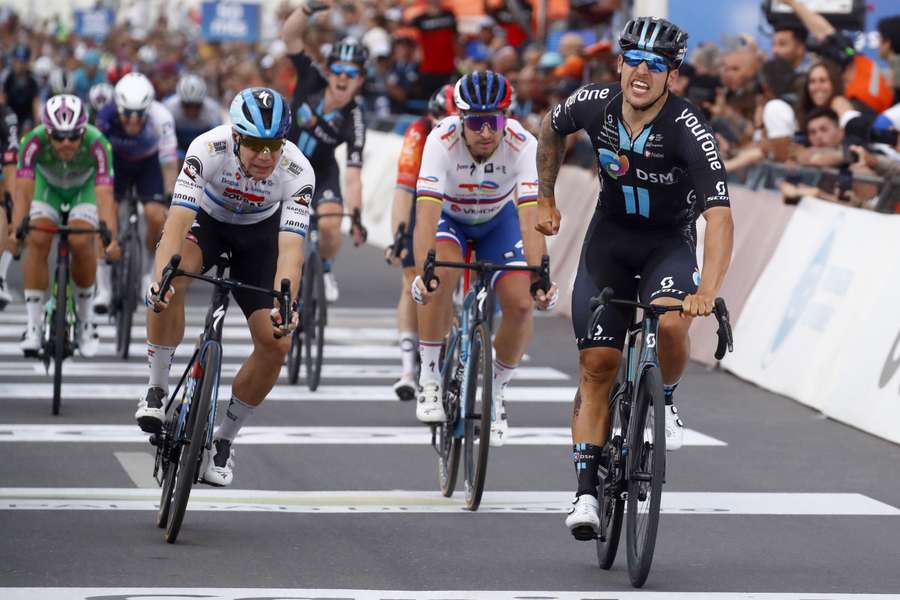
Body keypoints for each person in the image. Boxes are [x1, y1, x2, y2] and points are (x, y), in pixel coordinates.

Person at [534, 17, 734, 539]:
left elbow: (720, 217)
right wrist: (546, 196)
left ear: (673, 75)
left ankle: (664, 399)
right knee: (597, 364)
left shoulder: (690, 129)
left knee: (670, 326)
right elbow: (550, 129)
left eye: (657, 65)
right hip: (611, 242)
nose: (643, 73)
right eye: (635, 61)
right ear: (620, 64)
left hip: (667, 244)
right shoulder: (593, 101)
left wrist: (707, 289)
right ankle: (584, 494)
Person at [138, 87, 312, 487]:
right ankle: (156, 390)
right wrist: (159, 277)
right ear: (236, 137)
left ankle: (224, 440)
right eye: (254, 144)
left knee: (277, 342)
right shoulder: (207, 148)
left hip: (260, 237)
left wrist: (286, 304)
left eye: (273, 145)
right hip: (208, 223)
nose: (265, 156)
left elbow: (291, 248)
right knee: (173, 279)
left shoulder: (298, 170)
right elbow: (178, 220)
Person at [411, 70, 559, 447]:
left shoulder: (525, 144)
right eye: (476, 122)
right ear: (460, 119)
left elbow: (530, 216)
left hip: (498, 222)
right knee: (440, 277)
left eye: (493, 121)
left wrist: (540, 275)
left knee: (522, 305)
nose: (485, 132)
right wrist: (424, 267)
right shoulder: (439, 141)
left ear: (506, 118)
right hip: (450, 219)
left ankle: (495, 392)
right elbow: (426, 212)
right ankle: (428, 376)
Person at [8, 95, 119, 357]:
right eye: (58, 137)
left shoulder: (99, 144)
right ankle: (33, 326)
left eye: (73, 136)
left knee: (82, 241)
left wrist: (110, 238)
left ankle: (86, 320)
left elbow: (105, 194)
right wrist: (16, 230)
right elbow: (22, 192)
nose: (66, 143)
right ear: (48, 132)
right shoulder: (32, 141)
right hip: (48, 190)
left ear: (84, 130)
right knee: (36, 239)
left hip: (84, 190)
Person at [281, 3, 367, 304]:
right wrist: (306, 10)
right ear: (329, 71)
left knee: (331, 223)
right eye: (338, 71)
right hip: (282, 162)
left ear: (360, 80)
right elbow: (289, 37)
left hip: (321, 171)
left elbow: (355, 175)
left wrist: (355, 216)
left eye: (351, 73)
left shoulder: (355, 117)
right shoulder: (311, 78)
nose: (343, 78)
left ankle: (326, 269)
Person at [386, 83, 456, 401]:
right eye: (439, 122)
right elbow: (404, 190)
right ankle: (407, 370)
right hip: (427, 199)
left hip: (465, 204)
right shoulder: (419, 132)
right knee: (411, 277)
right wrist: (399, 234)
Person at [94, 72, 178, 312]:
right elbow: (97, 156)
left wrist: (170, 193)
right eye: (127, 114)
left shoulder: (161, 117)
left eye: (139, 115)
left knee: (156, 216)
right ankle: (105, 290)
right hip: (116, 165)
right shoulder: (105, 116)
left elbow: (169, 161)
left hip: (147, 165)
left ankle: (146, 273)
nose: (132, 121)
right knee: (105, 220)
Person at [162, 73, 225, 161]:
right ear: (180, 101)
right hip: (177, 145)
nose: (192, 110)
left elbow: (219, 142)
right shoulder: (169, 108)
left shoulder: (213, 111)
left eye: (197, 105)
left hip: (203, 147)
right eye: (187, 105)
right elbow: (163, 141)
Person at [0, 101, 18, 309]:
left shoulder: (6, 117)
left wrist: (13, 207)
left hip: (3, 168)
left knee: (11, 212)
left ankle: (1, 277)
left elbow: (11, 165)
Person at [2, 44, 40, 131]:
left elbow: (35, 101)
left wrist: (36, 121)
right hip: (10, 113)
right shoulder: (8, 77)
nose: (19, 65)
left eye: (22, 62)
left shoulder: (32, 79)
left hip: (26, 116)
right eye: (17, 61)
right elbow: (3, 98)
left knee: (26, 131)